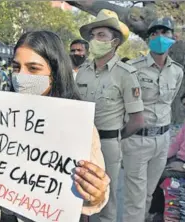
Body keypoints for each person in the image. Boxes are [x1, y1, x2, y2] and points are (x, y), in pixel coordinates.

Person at [0, 30, 111, 222]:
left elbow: (93, 195)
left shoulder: (77, 125)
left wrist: (96, 194)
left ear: (55, 72)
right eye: (16, 67)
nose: (20, 76)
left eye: (33, 69)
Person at [76, 9, 145, 222]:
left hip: (108, 145)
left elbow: (137, 120)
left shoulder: (125, 74)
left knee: (107, 200)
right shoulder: (84, 71)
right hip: (80, 142)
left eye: (101, 35)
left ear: (114, 42)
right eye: (93, 35)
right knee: (79, 195)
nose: (95, 40)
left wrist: (114, 136)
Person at [123, 17, 184, 222]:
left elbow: (168, 101)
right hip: (138, 140)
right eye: (154, 33)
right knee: (135, 198)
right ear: (148, 39)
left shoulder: (177, 71)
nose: (159, 37)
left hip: (163, 139)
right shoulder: (132, 68)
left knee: (149, 193)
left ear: (173, 37)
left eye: (164, 32)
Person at [148, 93, 185, 220]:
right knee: (154, 169)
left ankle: (156, 212)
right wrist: (160, 158)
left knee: (163, 174)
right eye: (183, 105)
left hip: (183, 165)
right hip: (178, 159)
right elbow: (175, 145)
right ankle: (155, 212)